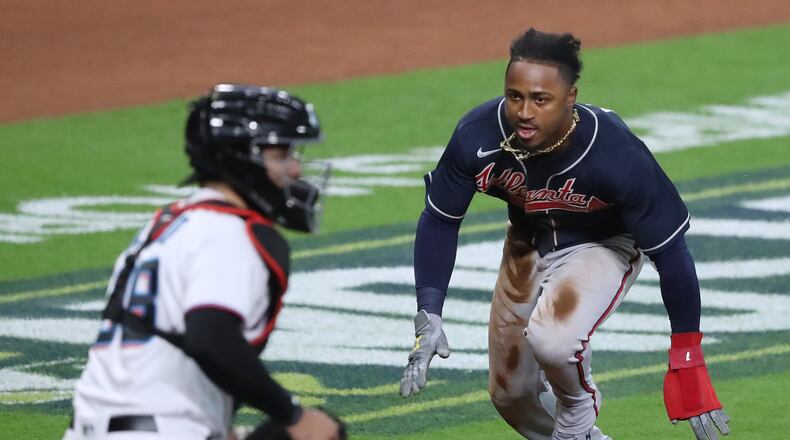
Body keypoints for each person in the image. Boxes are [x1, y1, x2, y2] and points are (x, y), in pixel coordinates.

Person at [400, 29, 730, 440]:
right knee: (511, 395)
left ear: (570, 97)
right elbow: (441, 219)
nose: (524, 111)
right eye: (514, 96)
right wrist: (429, 313)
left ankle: (576, 414)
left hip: (602, 243)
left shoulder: (616, 153)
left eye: (540, 99)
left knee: (554, 341)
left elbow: (672, 254)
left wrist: (687, 354)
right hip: (528, 239)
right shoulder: (478, 135)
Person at [65, 84, 342, 440]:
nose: (295, 168)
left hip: (93, 430)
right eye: (281, 155)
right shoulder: (226, 233)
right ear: (241, 160)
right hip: (162, 431)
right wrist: (291, 413)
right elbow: (210, 338)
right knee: (320, 432)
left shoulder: (169, 223)